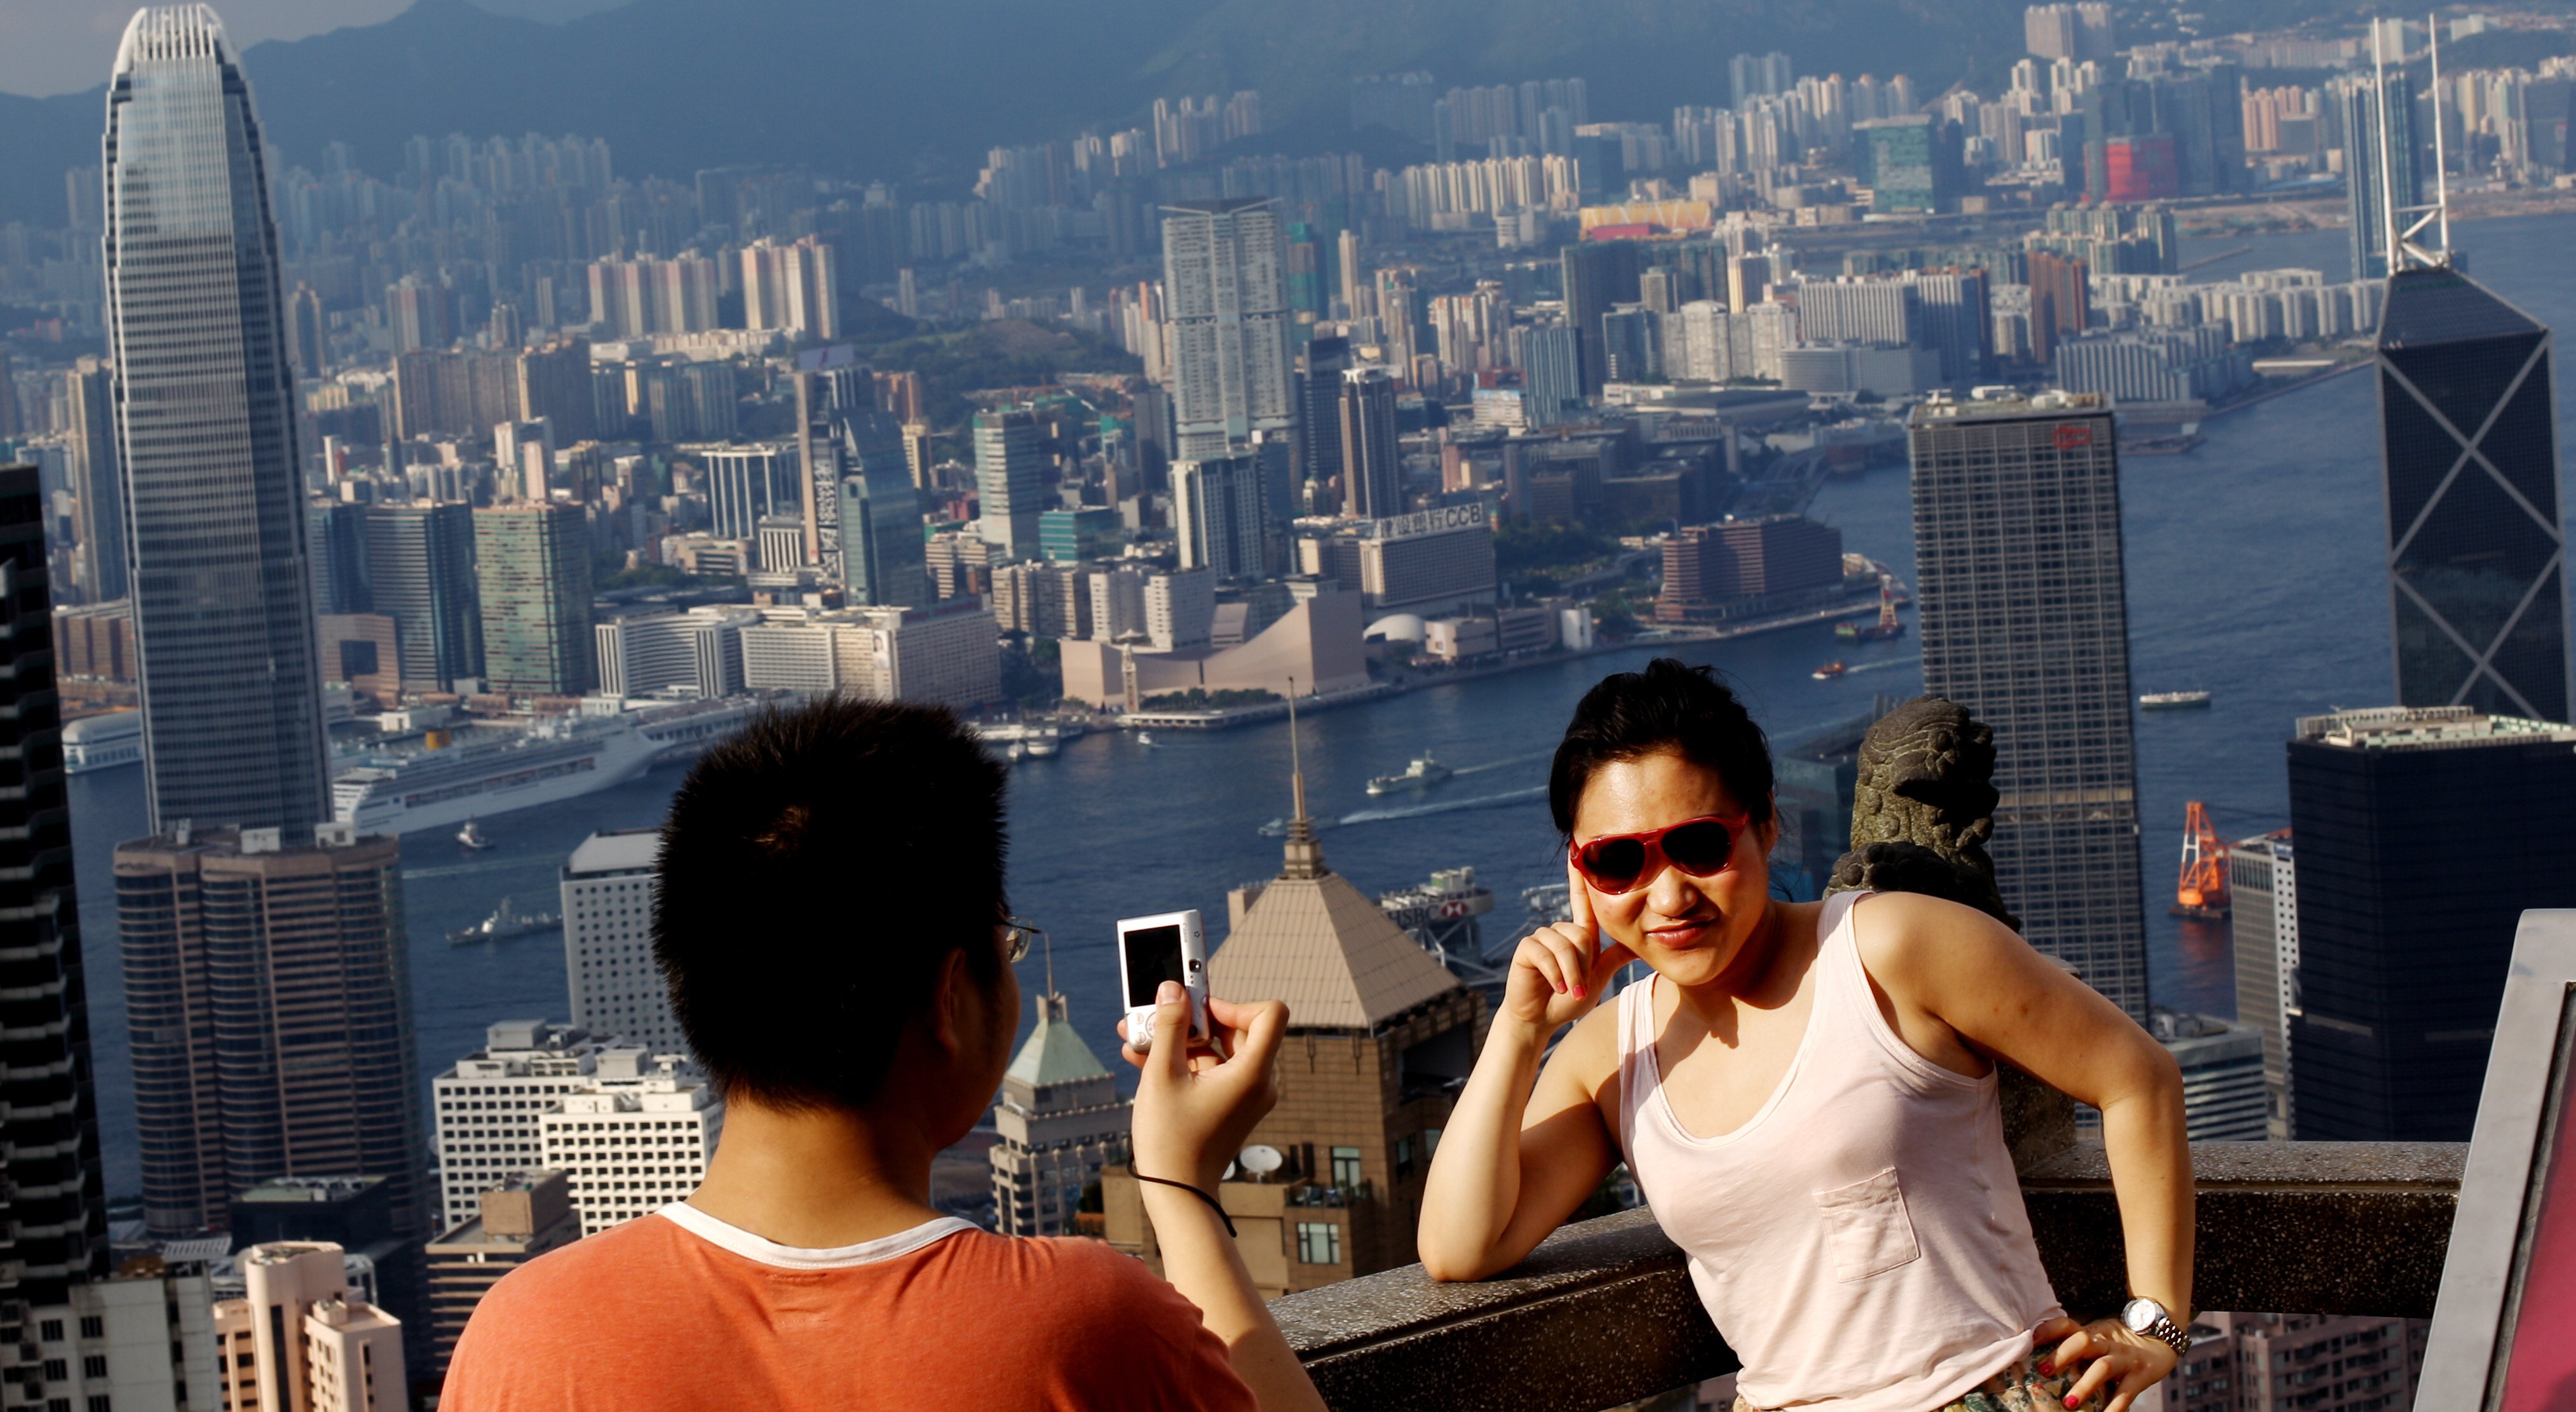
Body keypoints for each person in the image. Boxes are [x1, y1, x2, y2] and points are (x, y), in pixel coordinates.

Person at [443, 697, 1326, 1412]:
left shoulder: (524, 1336)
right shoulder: (1080, 1324)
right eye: (1004, 945)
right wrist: (1179, 1186)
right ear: (949, 998)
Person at [1418, 661, 2193, 1412]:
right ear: (1580, 873)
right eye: (1618, 861)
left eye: (1698, 845)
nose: (1667, 893)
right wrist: (1519, 1030)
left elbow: (2136, 1076)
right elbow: (1461, 1247)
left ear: (1764, 823)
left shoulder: (1890, 946)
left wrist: (2155, 1323)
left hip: (1986, 1390)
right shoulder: (1610, 1054)